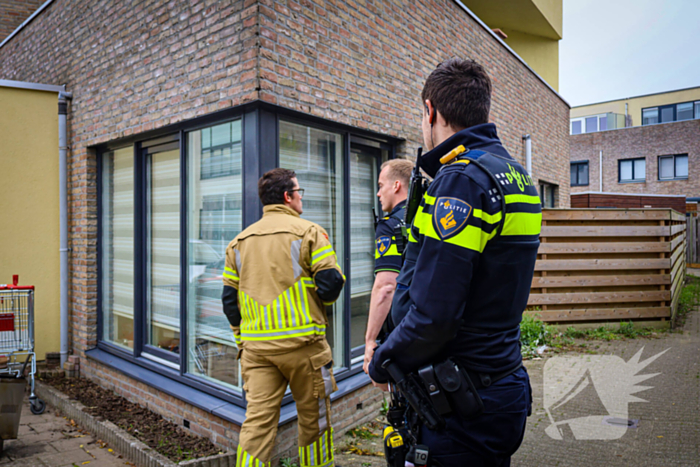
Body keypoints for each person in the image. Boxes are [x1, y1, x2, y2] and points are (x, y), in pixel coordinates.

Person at [368, 58, 542, 466]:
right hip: (500, 385)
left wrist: (383, 360)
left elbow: (435, 314)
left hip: (461, 402)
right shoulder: (517, 177)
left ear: (431, 111)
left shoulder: (462, 180)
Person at [222, 168, 345, 467]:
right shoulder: (310, 232)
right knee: (313, 420)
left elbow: (229, 302)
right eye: (299, 192)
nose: (301, 198)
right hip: (304, 349)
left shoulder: (238, 243)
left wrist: (243, 340)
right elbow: (331, 284)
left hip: (257, 351)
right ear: (288, 197)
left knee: (257, 423)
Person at [363, 159, 413, 374]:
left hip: (403, 329)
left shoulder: (390, 225)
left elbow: (385, 287)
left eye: (380, 186)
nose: (378, 193)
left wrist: (369, 340)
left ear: (396, 186)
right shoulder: (430, 217)